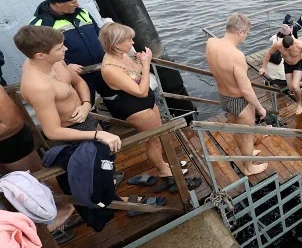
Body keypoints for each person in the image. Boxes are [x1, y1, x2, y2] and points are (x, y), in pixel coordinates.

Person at [13, 25, 132, 229]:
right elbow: (52, 131)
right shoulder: (37, 86)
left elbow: (78, 82)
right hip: (73, 135)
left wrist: (86, 104)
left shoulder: (54, 61)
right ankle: (107, 204)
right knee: (93, 174)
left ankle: (110, 189)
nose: (66, 49)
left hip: (87, 120)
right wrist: (97, 136)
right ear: (40, 55)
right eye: (60, 48)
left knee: (107, 162)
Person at [97, 23, 184, 193]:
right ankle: (163, 170)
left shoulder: (123, 55)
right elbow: (141, 91)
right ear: (116, 44)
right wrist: (146, 64)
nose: (132, 42)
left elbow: (137, 73)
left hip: (148, 103)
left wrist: (140, 62)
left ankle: (164, 163)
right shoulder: (109, 68)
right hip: (136, 107)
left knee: (161, 135)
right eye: (128, 39)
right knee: (154, 139)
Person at [0, 86, 76, 235]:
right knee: (15, 189)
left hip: (11, 142)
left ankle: (66, 205)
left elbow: (13, 122)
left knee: (37, 177)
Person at [206, 13, 269, 176]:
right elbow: (246, 90)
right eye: (246, 33)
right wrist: (260, 108)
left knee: (237, 130)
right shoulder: (236, 56)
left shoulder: (211, 43)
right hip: (239, 101)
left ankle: (247, 154)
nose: (245, 37)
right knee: (247, 136)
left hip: (224, 96)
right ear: (240, 31)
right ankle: (249, 167)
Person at [29, 0, 105, 101]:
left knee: (114, 97)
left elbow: (99, 34)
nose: (77, 4)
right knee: (86, 103)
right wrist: (66, 66)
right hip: (76, 75)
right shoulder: (39, 26)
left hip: (101, 67)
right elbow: (40, 56)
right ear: (59, 3)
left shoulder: (83, 13)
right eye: (73, 2)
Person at [259, 31, 302, 115]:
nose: (286, 50)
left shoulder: (300, 45)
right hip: (287, 65)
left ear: (293, 44)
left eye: (289, 49)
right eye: (285, 49)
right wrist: (263, 68)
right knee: (291, 88)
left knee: (295, 86)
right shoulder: (278, 44)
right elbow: (268, 54)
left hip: (298, 64)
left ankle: (299, 104)